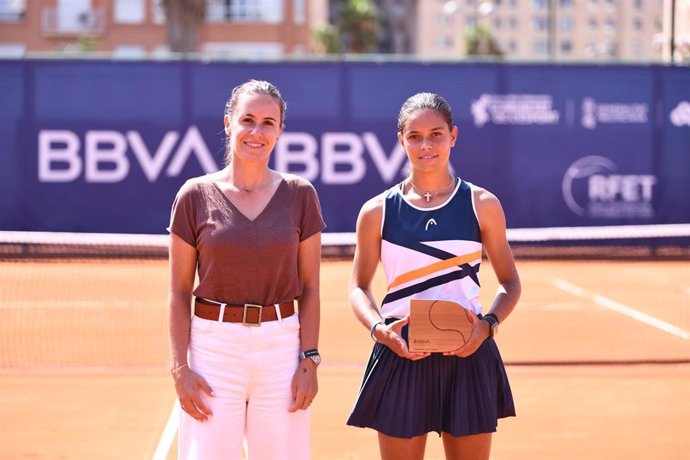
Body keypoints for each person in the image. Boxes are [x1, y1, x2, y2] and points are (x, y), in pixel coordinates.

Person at [346, 92, 521, 460]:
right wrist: (380, 331)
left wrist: (486, 326)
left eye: (436, 134)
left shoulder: (482, 204)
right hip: (400, 353)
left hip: (469, 357)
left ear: (453, 136)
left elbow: (510, 283)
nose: (426, 145)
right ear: (401, 140)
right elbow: (359, 287)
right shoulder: (376, 211)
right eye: (415, 136)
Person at [168, 80, 325, 460]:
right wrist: (179, 369)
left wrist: (310, 360)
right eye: (248, 120)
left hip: (282, 349)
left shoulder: (300, 194)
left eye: (268, 123)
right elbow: (178, 291)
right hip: (212, 349)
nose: (257, 132)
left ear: (280, 130)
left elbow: (311, 288)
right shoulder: (194, 195)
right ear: (228, 123)